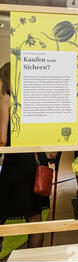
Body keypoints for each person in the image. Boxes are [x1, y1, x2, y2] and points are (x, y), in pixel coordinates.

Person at [0, 63, 49, 251]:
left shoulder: (6, 98)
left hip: (17, 161)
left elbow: (3, 139)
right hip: (36, 158)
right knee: (34, 216)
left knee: (2, 209)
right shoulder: (33, 95)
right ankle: (34, 256)